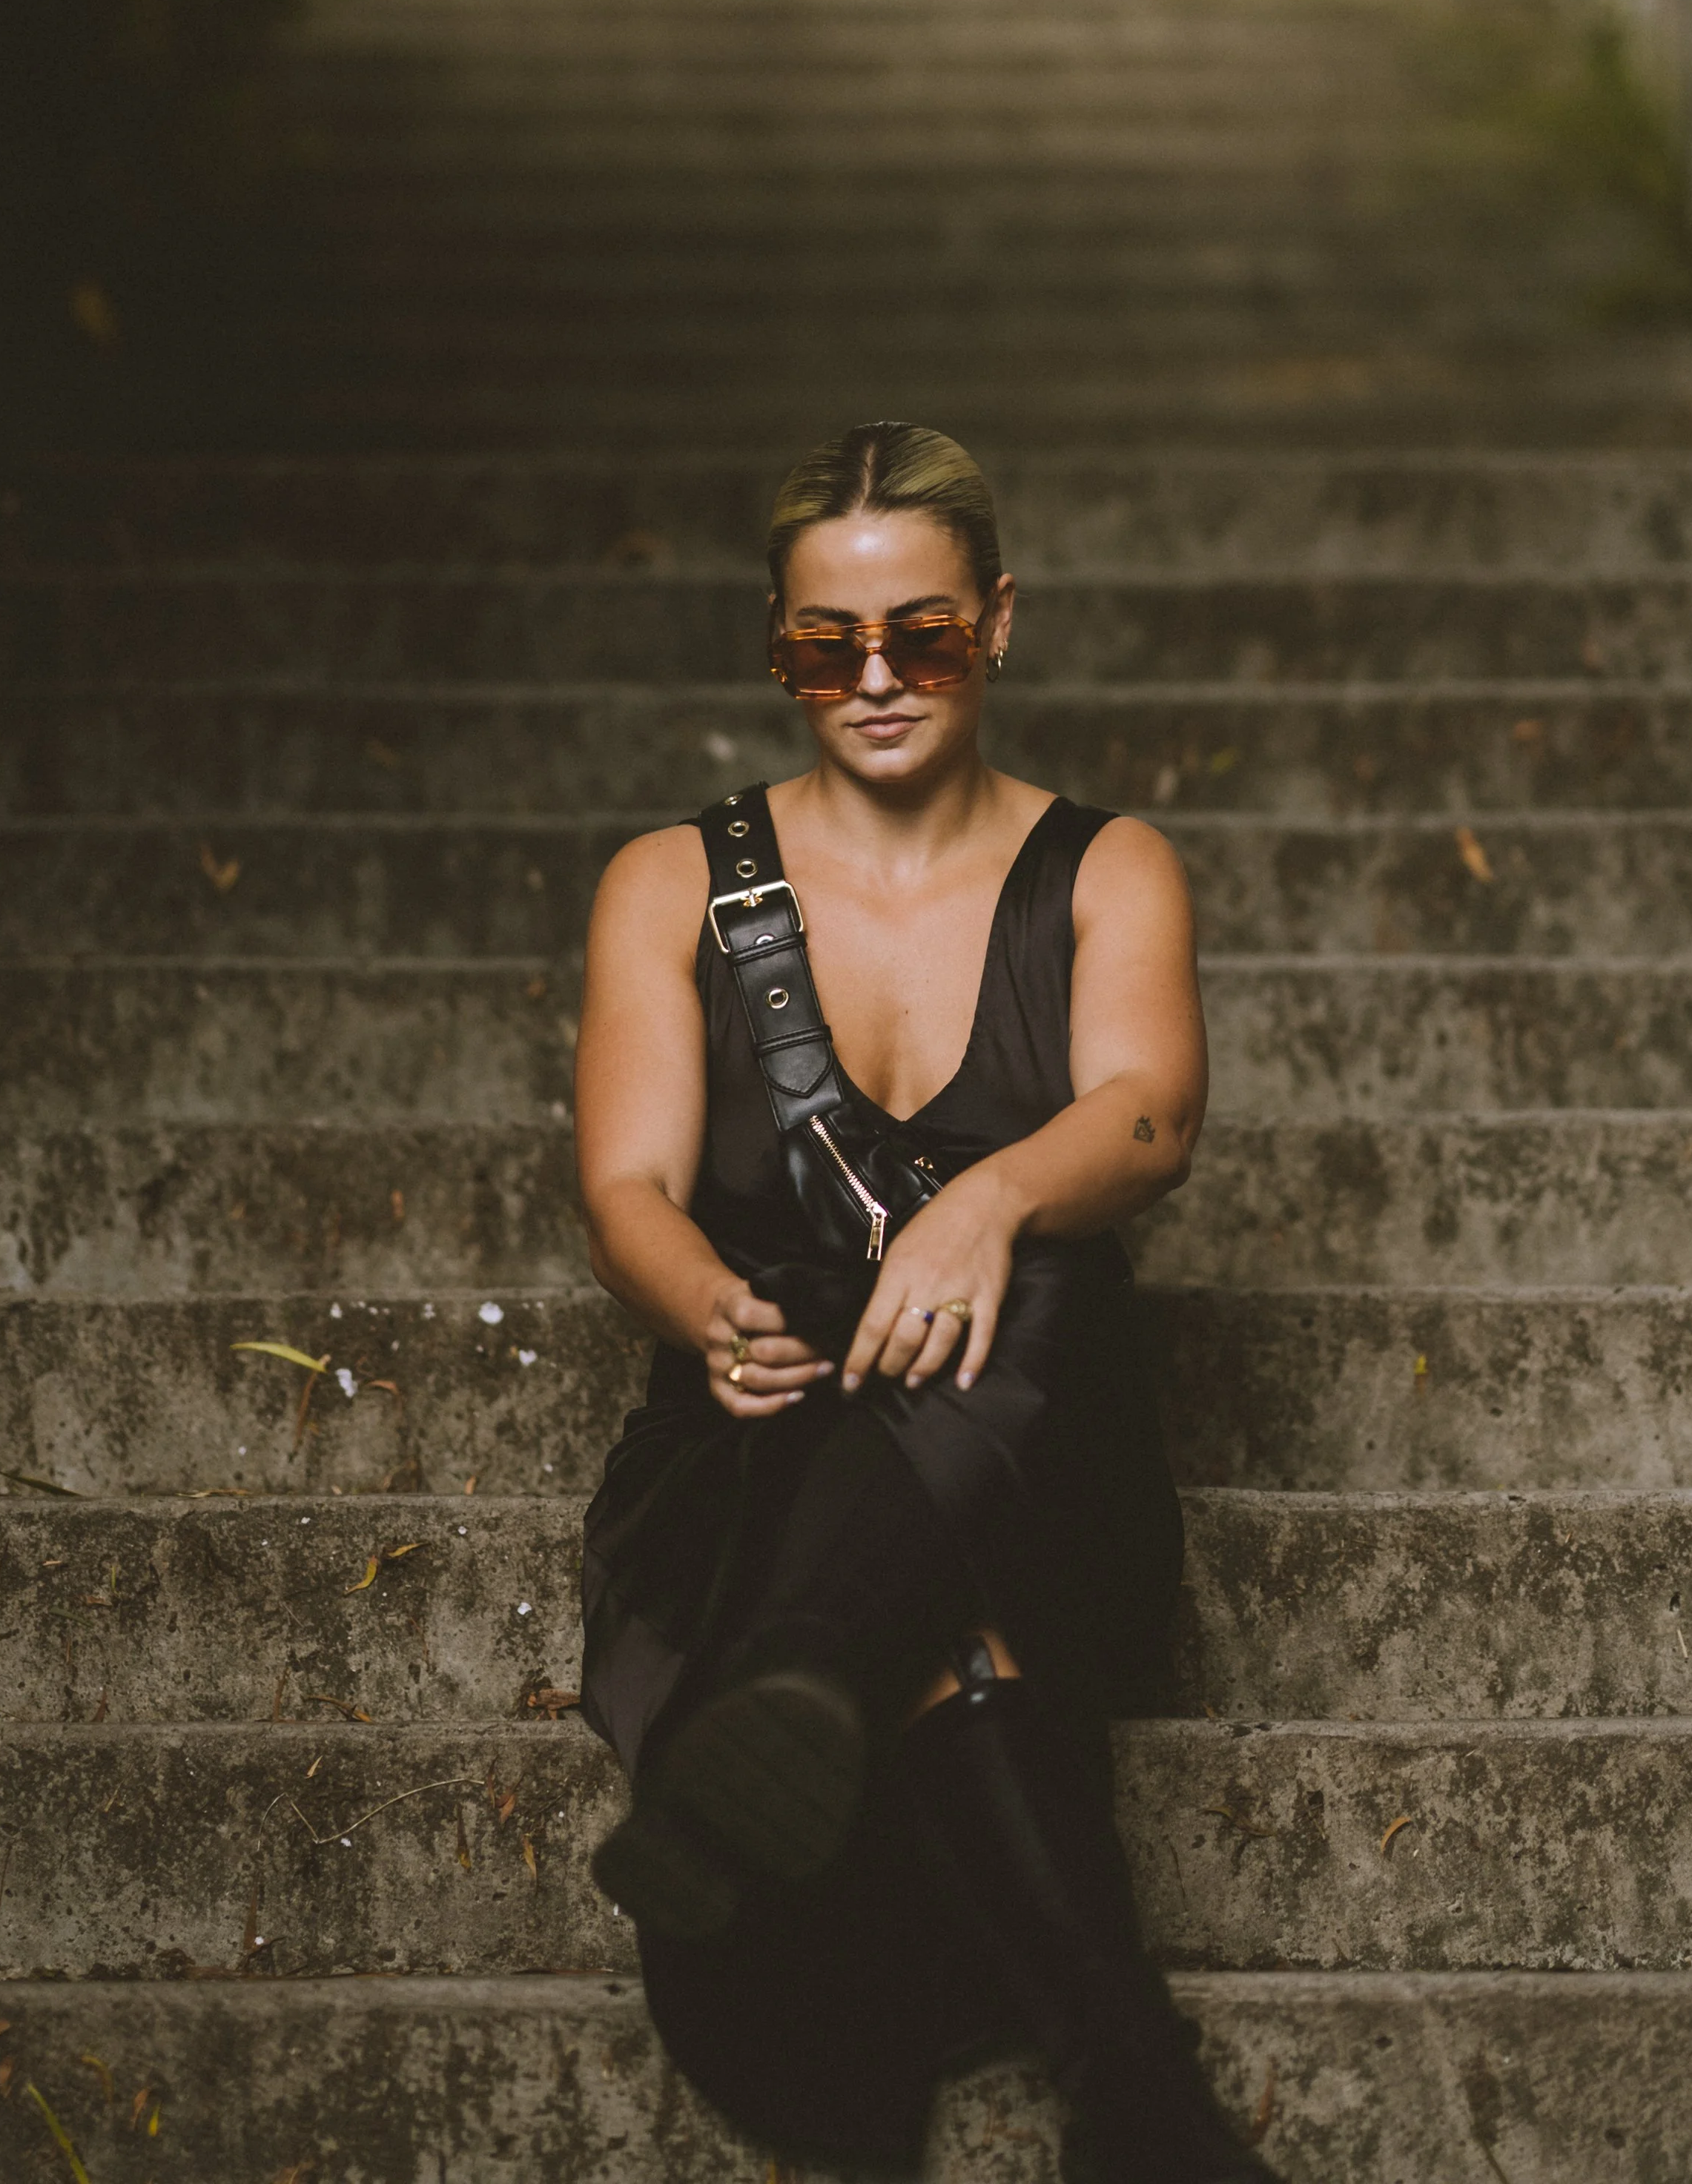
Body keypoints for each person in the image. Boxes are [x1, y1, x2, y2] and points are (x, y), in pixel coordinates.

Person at [575, 421, 1278, 2183]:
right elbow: (625, 1192)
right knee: (956, 1645)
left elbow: (1149, 1114)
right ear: (776, 646)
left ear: (999, 623)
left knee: (1035, 1284)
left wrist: (988, 1201)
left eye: (923, 635)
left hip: (1025, 1439)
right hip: (758, 1427)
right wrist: (709, 1308)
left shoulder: (1107, 869)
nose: (875, 678)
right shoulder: (667, 881)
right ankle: (1143, 2110)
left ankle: (793, 1671)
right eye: (827, 644)